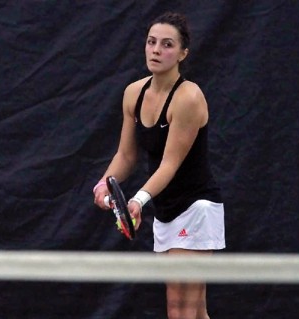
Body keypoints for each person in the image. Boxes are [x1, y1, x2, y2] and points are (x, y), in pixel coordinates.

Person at [93, 12, 225, 319]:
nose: (156, 50)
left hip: (196, 209)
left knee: (180, 312)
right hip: (165, 210)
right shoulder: (133, 94)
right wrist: (103, 183)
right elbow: (126, 156)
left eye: (167, 45)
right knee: (196, 313)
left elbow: (170, 163)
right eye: (152, 42)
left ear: (183, 53)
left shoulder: (189, 98)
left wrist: (137, 201)